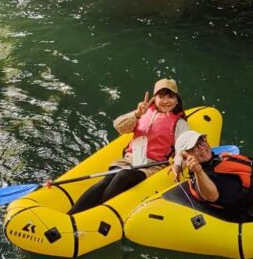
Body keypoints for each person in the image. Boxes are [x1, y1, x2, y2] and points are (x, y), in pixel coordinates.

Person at [69, 78, 188, 214]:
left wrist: (178, 165)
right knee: (106, 181)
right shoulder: (143, 113)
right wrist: (137, 114)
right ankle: (72, 214)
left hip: (152, 166)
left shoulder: (180, 123)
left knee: (123, 175)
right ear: (155, 99)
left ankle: (96, 212)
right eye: (161, 97)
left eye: (170, 97)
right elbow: (119, 126)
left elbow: (183, 147)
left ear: (177, 100)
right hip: (130, 159)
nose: (166, 101)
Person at [172, 130, 253, 214]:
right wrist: (198, 171)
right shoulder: (200, 178)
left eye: (201, 142)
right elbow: (212, 196)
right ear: (186, 157)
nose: (201, 148)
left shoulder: (217, 158)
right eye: (194, 148)